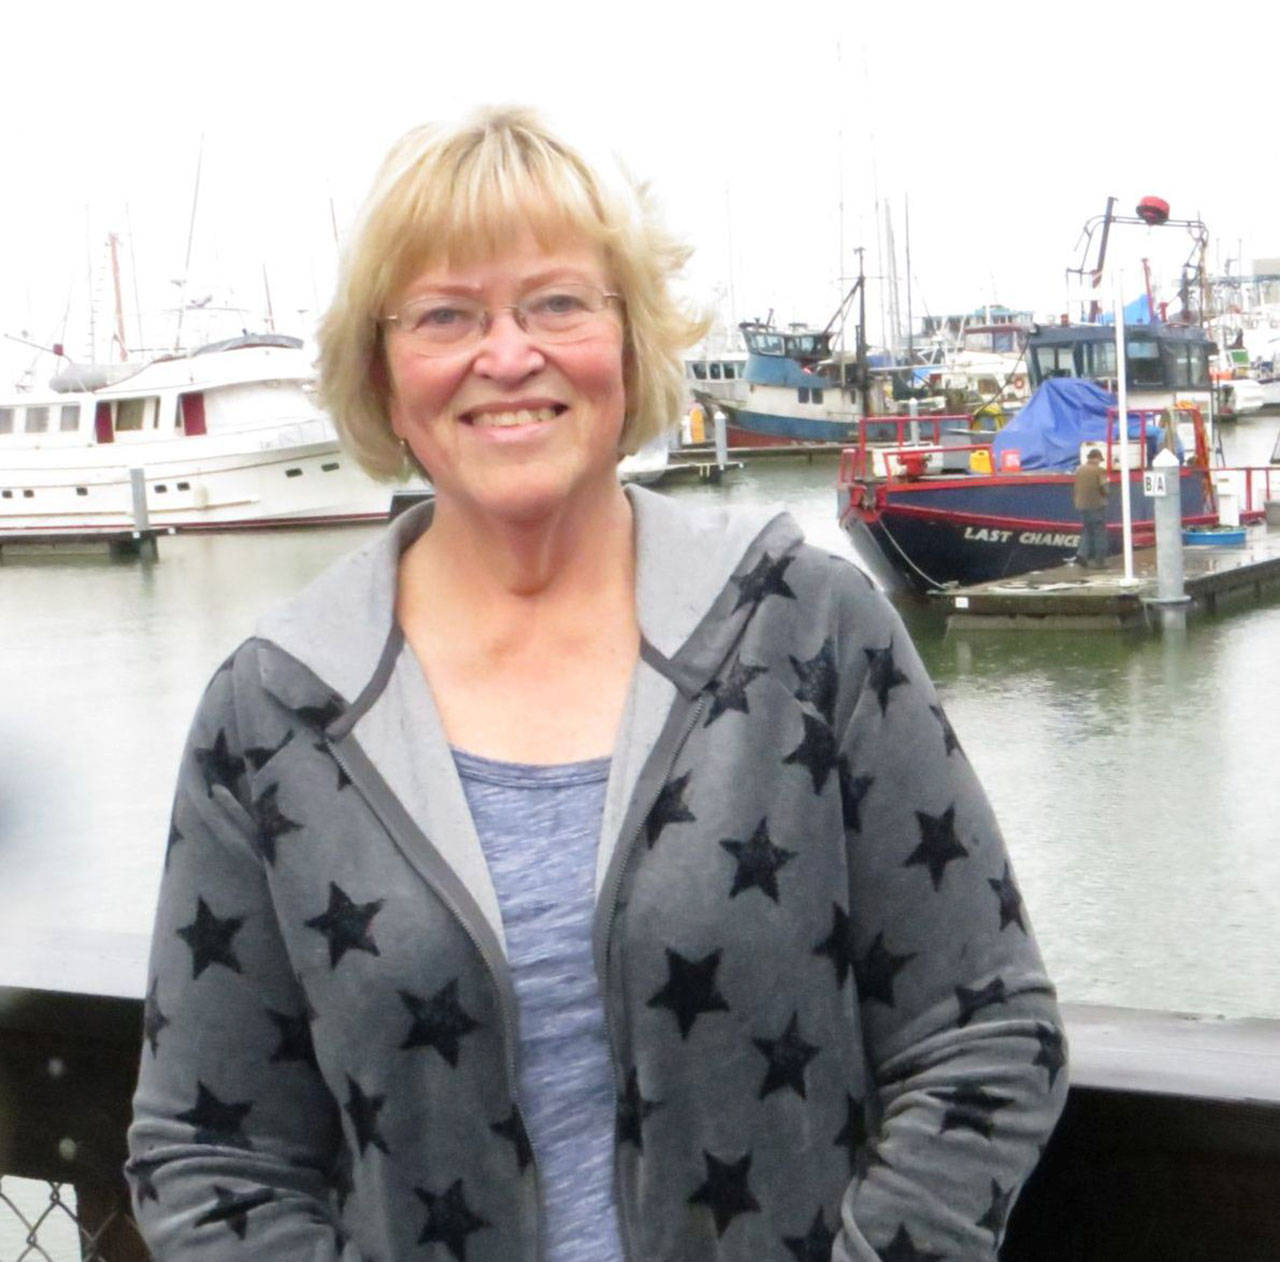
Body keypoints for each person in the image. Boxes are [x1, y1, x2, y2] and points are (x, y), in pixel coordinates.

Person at [126, 107, 1067, 1260]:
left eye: (556, 302)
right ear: (381, 369)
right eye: (445, 314)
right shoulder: (275, 710)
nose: (506, 354)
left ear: (629, 341)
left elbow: (982, 1029)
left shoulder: (805, 629)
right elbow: (210, 1151)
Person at [1073, 447, 1109, 567]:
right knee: (1099, 533)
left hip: (1081, 505)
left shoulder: (1079, 470)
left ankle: (1082, 554)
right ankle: (1100, 561)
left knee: (1087, 531)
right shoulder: (1100, 471)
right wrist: (1107, 495)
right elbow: (1105, 488)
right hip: (1096, 505)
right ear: (1097, 458)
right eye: (1100, 459)